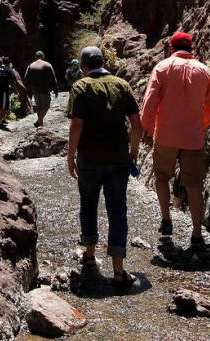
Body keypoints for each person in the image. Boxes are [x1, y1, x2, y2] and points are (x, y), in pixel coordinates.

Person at [65, 46, 142, 287]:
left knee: (88, 203)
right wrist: (134, 151)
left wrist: (70, 156)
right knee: (117, 209)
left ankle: (89, 256)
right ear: (104, 61)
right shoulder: (121, 84)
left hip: (89, 158)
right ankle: (118, 270)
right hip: (119, 158)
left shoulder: (80, 86)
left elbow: (77, 124)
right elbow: (136, 123)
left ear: (84, 66)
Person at [139, 31, 210, 249]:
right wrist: (201, 126)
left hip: (165, 135)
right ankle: (196, 234)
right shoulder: (205, 71)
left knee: (162, 178)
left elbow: (149, 102)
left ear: (171, 48)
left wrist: (148, 127)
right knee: (194, 185)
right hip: (193, 137)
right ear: (191, 48)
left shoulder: (162, 68)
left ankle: (166, 220)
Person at [25, 51, 58, 127]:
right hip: (45, 89)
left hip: (35, 90)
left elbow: (26, 78)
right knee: (46, 106)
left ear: (35, 57)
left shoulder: (30, 65)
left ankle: (40, 124)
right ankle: (39, 120)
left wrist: (32, 86)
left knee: (39, 107)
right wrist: (55, 89)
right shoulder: (47, 65)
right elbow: (53, 78)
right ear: (43, 56)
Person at [0, 58, 18, 128]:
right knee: (2, 105)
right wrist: (16, 92)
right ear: (8, 63)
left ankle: (3, 119)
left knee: (4, 104)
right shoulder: (8, 70)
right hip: (4, 90)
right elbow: (12, 82)